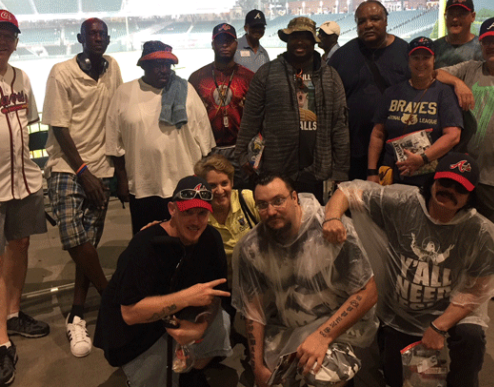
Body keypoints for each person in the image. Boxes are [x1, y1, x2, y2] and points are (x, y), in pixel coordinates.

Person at [324, 152, 494, 387]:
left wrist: (439, 326)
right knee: (402, 380)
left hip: (451, 311)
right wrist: (332, 219)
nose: (448, 190)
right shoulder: (404, 203)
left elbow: (479, 288)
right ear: (433, 181)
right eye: (444, 182)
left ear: (470, 197)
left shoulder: (479, 231)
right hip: (402, 314)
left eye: (459, 188)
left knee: (471, 337)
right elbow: (346, 191)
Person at [232, 173, 378, 387]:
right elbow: (254, 310)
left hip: (338, 329)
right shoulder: (253, 247)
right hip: (286, 328)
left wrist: (322, 336)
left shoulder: (329, 232)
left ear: (294, 198)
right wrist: (258, 367)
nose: (271, 211)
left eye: (278, 201)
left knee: (319, 376)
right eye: (262, 205)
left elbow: (368, 292)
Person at [94, 175, 232, 387]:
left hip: (174, 317)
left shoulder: (211, 239)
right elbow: (129, 314)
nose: (195, 221)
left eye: (202, 213)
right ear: (172, 209)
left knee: (221, 321)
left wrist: (201, 326)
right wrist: (187, 298)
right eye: (188, 212)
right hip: (133, 332)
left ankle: (190, 370)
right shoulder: (146, 245)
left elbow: (213, 294)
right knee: (159, 364)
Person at [42, 18, 122, 358]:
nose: (99, 37)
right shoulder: (61, 72)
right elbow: (59, 126)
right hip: (67, 167)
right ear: (79, 38)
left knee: (88, 243)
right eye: (92, 33)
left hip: (102, 168)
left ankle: (77, 312)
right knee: (74, 237)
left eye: (103, 33)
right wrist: (83, 171)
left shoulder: (113, 68)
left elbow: (117, 116)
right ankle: (110, 297)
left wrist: (119, 170)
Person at [236, 16, 349, 203]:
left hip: (318, 170)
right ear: (287, 40)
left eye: (306, 37)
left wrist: (341, 169)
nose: (299, 42)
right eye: (294, 36)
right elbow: (250, 120)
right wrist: (242, 156)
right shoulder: (267, 74)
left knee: (314, 225)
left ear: (314, 42)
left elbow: (340, 125)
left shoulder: (330, 77)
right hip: (276, 169)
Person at [106, 41, 215, 234]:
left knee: (188, 237)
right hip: (143, 186)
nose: (164, 70)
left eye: (167, 64)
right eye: (157, 65)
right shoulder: (124, 93)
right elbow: (115, 144)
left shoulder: (186, 91)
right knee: (147, 241)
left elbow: (206, 141)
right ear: (143, 66)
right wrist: (122, 180)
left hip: (185, 184)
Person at [0, 10, 49, 386]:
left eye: (9, 34)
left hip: (24, 182)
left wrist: (39, 170)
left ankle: (13, 314)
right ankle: (0, 339)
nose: (3, 40)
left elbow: (33, 127)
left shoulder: (21, 77)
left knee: (20, 244)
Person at [436, 17, 494, 299]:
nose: (491, 46)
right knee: (463, 228)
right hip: (466, 168)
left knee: (493, 233)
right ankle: (461, 278)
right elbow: (436, 73)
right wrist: (459, 85)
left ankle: (491, 281)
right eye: (487, 41)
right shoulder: (471, 69)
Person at [328, 0, 410, 180]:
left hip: (398, 149)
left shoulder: (406, 52)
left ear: (386, 20)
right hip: (354, 150)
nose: (368, 25)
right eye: (362, 21)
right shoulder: (341, 57)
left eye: (375, 19)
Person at [367, 36, 462, 187]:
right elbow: (378, 133)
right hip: (391, 175)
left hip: (428, 179)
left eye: (426, 57)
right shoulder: (392, 92)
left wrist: (422, 158)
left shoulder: (444, 93)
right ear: (408, 60)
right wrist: (371, 171)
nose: (421, 63)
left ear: (434, 60)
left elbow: (453, 136)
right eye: (415, 58)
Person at [189, 23, 254, 187]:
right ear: (212, 44)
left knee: (242, 196)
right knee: (213, 198)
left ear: (236, 44)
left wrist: (253, 154)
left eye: (229, 41)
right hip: (209, 150)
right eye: (220, 41)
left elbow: (259, 118)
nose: (224, 45)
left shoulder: (249, 77)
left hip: (240, 150)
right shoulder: (197, 78)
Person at [194, 154, 259, 288]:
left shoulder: (247, 199)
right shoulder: (199, 214)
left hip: (258, 283)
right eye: (212, 185)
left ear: (232, 182)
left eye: (224, 183)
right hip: (221, 289)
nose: (220, 190)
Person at [434, 0, 482, 68]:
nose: (455, 19)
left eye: (461, 14)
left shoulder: (483, 48)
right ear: (445, 17)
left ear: (473, 16)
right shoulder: (434, 48)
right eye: (451, 14)